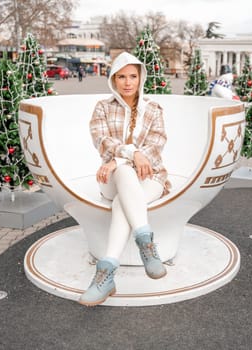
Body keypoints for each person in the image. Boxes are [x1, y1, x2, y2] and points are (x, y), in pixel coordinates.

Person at [78, 52, 170, 307]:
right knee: (124, 172)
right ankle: (147, 245)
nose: (128, 82)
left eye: (133, 76)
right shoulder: (102, 108)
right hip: (112, 178)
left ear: (141, 77)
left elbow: (156, 146)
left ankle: (105, 274)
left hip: (151, 177)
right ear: (113, 79)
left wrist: (119, 158)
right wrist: (130, 155)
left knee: (123, 203)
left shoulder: (153, 110)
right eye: (121, 76)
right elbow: (102, 142)